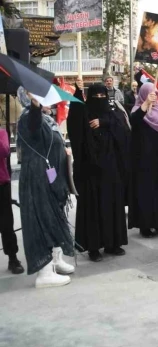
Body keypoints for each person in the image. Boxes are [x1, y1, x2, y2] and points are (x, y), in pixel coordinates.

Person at [16, 88, 75, 288]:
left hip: (50, 177)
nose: (48, 102)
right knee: (42, 220)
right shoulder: (29, 117)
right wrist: (35, 105)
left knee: (54, 217)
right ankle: (45, 272)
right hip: (38, 178)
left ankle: (56, 260)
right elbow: (34, 126)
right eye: (44, 99)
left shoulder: (47, 119)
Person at [68, 81, 131, 262]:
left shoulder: (112, 115)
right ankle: (93, 247)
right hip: (92, 172)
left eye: (103, 96)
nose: (100, 99)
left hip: (111, 171)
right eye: (95, 96)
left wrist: (103, 122)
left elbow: (123, 130)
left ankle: (113, 243)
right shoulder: (84, 113)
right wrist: (78, 93)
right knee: (93, 209)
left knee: (112, 206)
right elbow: (74, 124)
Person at [128, 83, 158, 238]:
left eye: (155, 93)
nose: (154, 96)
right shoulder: (137, 110)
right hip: (143, 160)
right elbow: (134, 120)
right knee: (146, 192)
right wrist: (146, 103)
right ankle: (145, 225)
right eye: (150, 93)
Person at [0, 126, 23, 274]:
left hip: (2, 183)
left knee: (6, 224)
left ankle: (12, 258)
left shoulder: (1, 132)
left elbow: (5, 151)